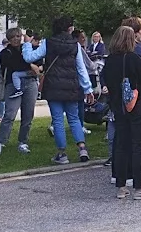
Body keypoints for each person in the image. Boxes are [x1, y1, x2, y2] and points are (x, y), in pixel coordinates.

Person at [23, 15, 95, 165]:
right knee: (74, 118)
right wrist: (87, 88)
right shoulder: (75, 45)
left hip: (54, 86)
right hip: (72, 86)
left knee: (58, 120)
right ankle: (82, 148)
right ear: (69, 28)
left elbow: (30, 57)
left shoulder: (48, 43)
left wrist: (27, 44)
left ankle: (62, 154)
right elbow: (81, 68)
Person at [102, 25, 141, 200]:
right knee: (138, 146)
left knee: (121, 145)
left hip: (118, 106)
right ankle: (140, 186)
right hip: (137, 104)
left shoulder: (110, 60)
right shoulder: (133, 58)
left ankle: (121, 186)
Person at [0, 28, 37, 155]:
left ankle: (23, 141)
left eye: (18, 36)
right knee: (10, 115)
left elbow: (37, 61)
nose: (16, 39)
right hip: (13, 84)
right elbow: (13, 65)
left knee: (28, 115)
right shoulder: (6, 52)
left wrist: (32, 66)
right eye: (13, 37)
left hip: (30, 83)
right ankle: (1, 142)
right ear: (9, 39)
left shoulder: (27, 48)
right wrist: (30, 67)